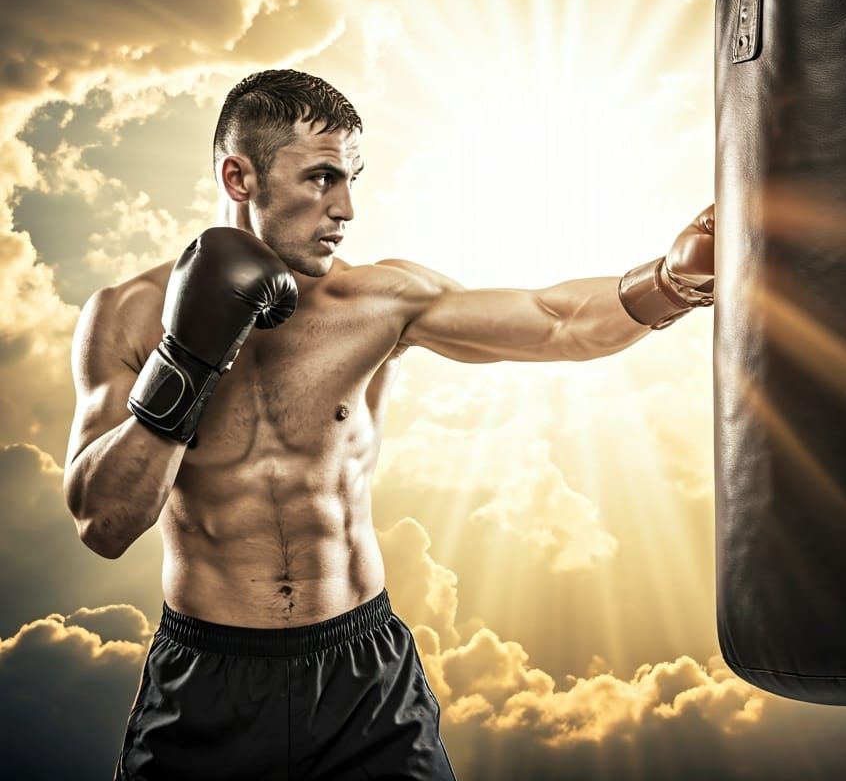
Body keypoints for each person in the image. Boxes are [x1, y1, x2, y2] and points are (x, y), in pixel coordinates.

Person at [63, 68, 715, 781]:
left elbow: (554, 322)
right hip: (205, 682)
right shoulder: (127, 314)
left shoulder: (377, 301)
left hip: (361, 680)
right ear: (238, 176)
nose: (345, 208)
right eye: (320, 178)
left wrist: (672, 282)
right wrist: (187, 358)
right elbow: (104, 523)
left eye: (351, 179)